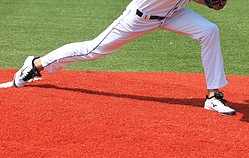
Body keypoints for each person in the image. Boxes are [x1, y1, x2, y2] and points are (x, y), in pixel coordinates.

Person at [13, 0, 236, 115]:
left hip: (173, 15)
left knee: (209, 30)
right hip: (139, 18)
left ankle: (213, 96)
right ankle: (35, 64)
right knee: (93, 50)